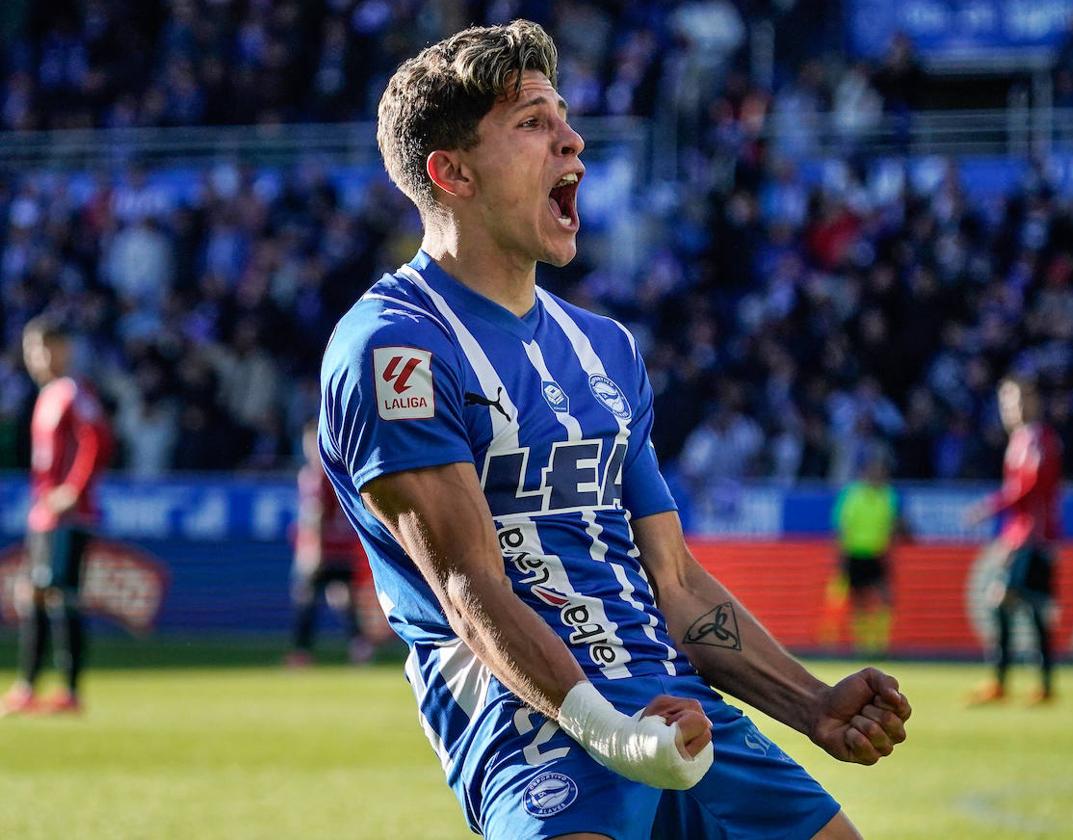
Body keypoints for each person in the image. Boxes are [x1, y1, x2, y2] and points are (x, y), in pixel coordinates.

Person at [319, 21, 909, 840]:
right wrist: (614, 733)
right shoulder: (393, 348)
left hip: (680, 709)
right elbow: (469, 588)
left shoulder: (606, 348)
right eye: (532, 122)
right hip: (535, 729)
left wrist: (811, 705)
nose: (572, 138)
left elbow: (674, 582)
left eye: (563, 114)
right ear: (449, 173)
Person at [3, 317, 111, 715]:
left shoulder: (73, 391)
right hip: (43, 513)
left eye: (47, 347)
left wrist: (73, 490)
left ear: (64, 349)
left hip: (69, 514)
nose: (39, 357)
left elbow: (97, 439)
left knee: (61, 595)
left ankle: (70, 690)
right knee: (32, 594)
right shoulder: (48, 395)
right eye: (33, 349)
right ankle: (27, 686)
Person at [965, 375, 1062, 706]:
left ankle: (1008, 682)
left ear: (1033, 402)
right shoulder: (1021, 439)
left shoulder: (1038, 438)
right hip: (1021, 535)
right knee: (1027, 607)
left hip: (1034, 537)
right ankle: (1036, 684)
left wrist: (989, 507)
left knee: (1010, 602)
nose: (1012, 408)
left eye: (1018, 400)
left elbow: (1031, 489)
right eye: (1007, 402)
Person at [287, 420, 374, 667]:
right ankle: (360, 645)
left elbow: (316, 513)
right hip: (345, 546)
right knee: (343, 597)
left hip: (323, 548)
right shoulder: (343, 471)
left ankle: (301, 652)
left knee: (305, 596)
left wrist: (311, 549)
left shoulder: (315, 475)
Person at [825, 450, 905, 655]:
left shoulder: (888, 495)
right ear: (867, 472)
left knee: (886, 597)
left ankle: (880, 643)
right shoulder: (852, 495)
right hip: (855, 552)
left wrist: (890, 546)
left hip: (878, 553)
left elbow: (893, 523)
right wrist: (840, 555)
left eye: (882, 471)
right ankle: (863, 644)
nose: (879, 475)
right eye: (876, 470)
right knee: (858, 599)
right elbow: (842, 526)